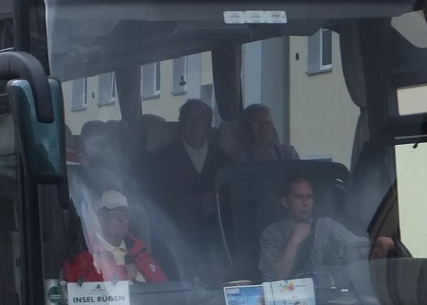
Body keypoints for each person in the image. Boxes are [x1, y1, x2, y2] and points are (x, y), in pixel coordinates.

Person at [150, 99, 232, 282]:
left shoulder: (223, 158)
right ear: (181, 121)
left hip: (219, 236)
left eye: (200, 119)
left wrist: (217, 202)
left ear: (208, 124)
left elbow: (234, 197)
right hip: (179, 235)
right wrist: (195, 201)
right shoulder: (163, 158)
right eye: (189, 118)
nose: (195, 123)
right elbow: (157, 200)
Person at [258, 175, 395, 281]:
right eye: (298, 197)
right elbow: (273, 280)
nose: (305, 203)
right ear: (285, 202)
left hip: (328, 299)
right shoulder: (271, 233)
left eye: (309, 197)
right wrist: (293, 242)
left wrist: (378, 244)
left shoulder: (326, 225)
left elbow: (356, 245)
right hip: (292, 303)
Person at [62, 190, 169, 284]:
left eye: (125, 214)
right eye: (114, 214)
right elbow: (79, 288)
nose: (121, 219)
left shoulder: (142, 254)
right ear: (99, 219)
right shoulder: (85, 254)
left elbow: (166, 291)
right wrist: (123, 272)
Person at [233, 103, 300, 162]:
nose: (263, 128)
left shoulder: (288, 153)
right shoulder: (239, 159)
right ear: (247, 128)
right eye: (257, 124)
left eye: (267, 123)